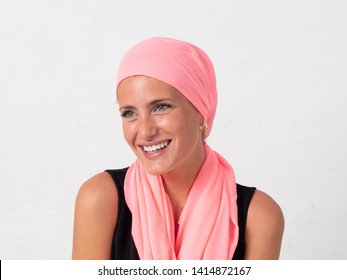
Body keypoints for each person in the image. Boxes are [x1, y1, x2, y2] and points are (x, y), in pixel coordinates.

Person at [72, 37, 284, 260]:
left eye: (161, 107)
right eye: (129, 113)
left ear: (202, 109)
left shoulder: (259, 217)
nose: (144, 132)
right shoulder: (100, 199)